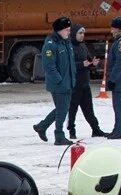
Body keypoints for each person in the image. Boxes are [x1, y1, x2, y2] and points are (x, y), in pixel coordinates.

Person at [33, 17, 76, 146]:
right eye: (67, 30)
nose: (69, 32)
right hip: (59, 84)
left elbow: (70, 63)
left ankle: (42, 126)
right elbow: (49, 67)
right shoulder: (50, 45)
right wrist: (61, 82)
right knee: (62, 109)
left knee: (62, 108)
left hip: (68, 82)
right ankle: (59, 135)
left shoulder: (66, 42)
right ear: (59, 30)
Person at [67, 25, 106, 140]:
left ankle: (95, 129)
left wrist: (93, 63)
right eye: (80, 33)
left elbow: (88, 60)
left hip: (85, 83)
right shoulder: (69, 47)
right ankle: (71, 131)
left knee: (89, 109)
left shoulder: (83, 46)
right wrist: (81, 65)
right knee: (72, 109)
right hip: (75, 84)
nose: (82, 35)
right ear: (74, 34)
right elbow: (68, 65)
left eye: (83, 33)